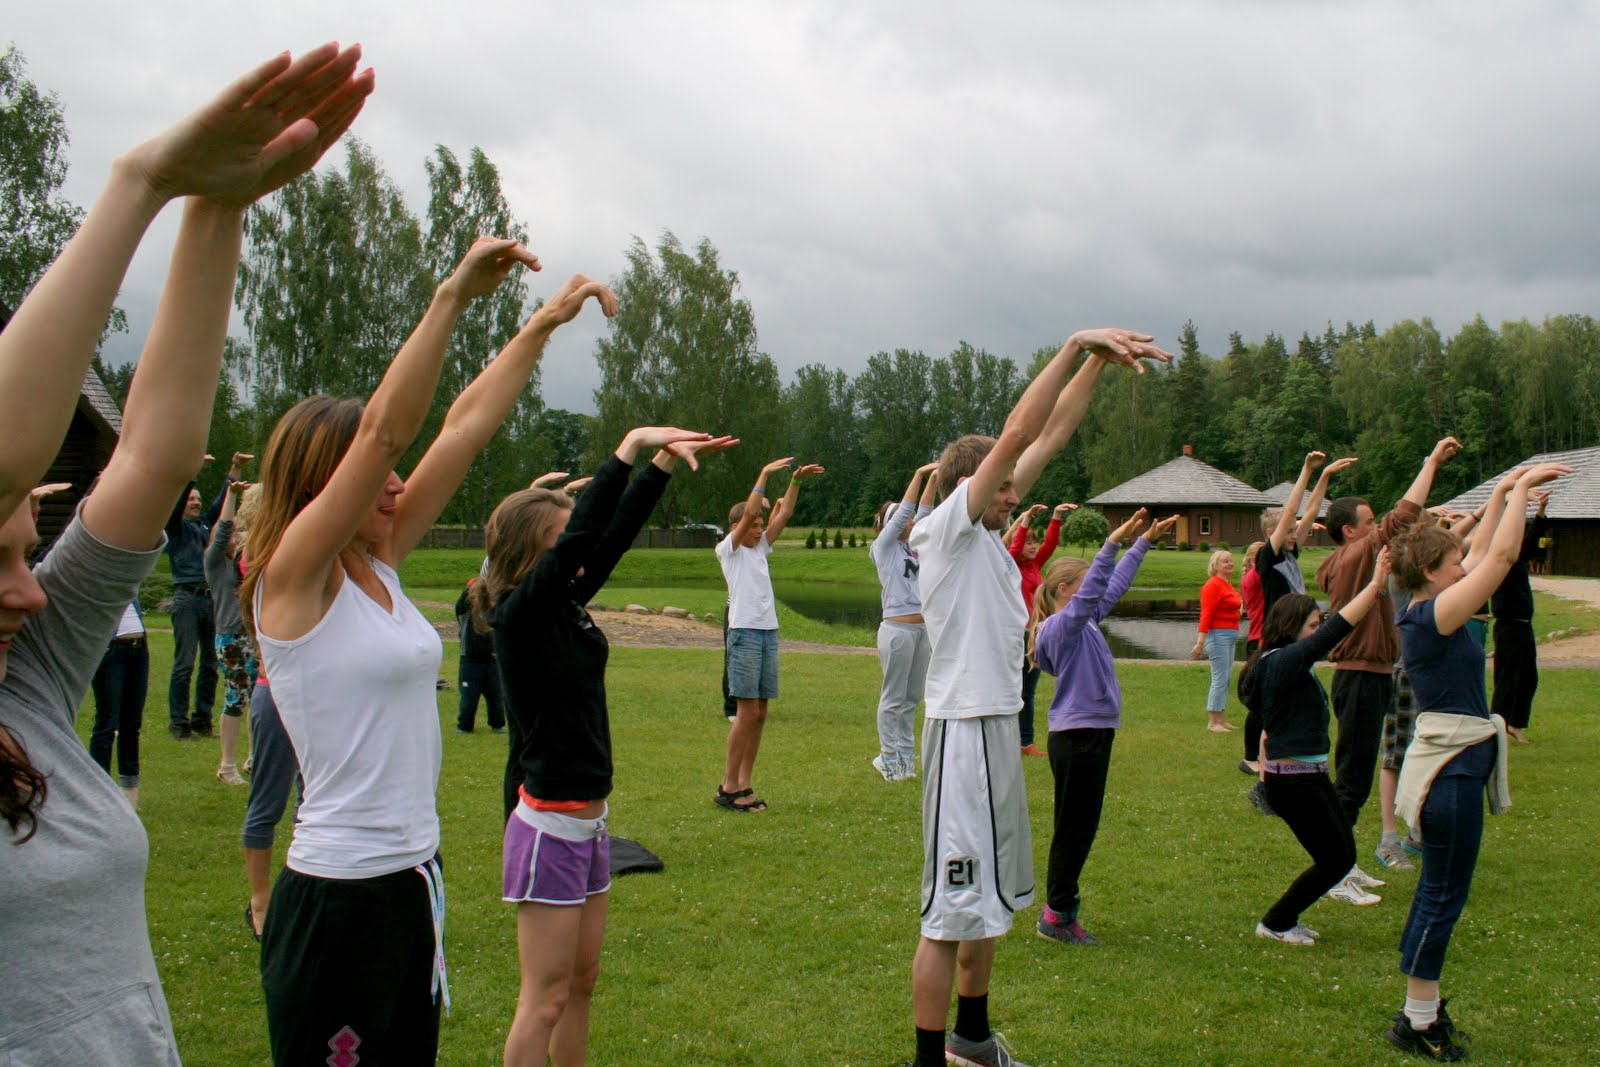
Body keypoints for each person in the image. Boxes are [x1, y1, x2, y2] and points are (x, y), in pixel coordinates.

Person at [0, 42, 371, 1065]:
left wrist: (222, 200)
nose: (32, 590)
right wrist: (139, 182)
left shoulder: (25, 687)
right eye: (2, 559)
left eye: (27, 553)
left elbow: (155, 454)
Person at [243, 236, 613, 1064]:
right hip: (339, 894)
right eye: (374, 473)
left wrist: (540, 325)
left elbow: (463, 429)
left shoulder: (377, 564)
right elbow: (383, 432)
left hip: (412, 880)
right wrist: (450, 297)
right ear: (322, 484)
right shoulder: (294, 580)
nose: (397, 482)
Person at [908, 327, 1170, 1067]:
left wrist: (1098, 366)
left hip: (995, 729)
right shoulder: (948, 531)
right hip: (962, 733)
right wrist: (1072, 343)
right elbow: (1022, 430)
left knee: (989, 902)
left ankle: (972, 1039)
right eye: (1004, 487)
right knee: (946, 913)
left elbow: (1048, 436)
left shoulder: (987, 539)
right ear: (973, 483)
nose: (1016, 497)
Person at [475, 426, 733, 1067]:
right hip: (550, 828)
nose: (579, 549)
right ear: (534, 551)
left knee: (581, 985)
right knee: (543, 1000)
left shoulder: (562, 602)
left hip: (590, 824)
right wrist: (629, 448)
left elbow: (608, 539)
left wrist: (660, 468)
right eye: (562, 540)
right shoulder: (521, 615)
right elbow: (587, 534)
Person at [1383, 462, 1569, 1060]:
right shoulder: (1432, 617)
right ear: (1431, 572)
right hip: (1452, 775)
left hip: (1455, 767)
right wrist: (1521, 490)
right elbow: (1503, 556)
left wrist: (1504, 493)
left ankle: (1421, 1011)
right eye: (1453, 561)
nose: (1464, 565)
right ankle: (1418, 1023)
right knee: (1443, 895)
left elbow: (1485, 548)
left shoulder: (1430, 606)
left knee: (1437, 890)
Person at [1316, 436, 1459, 897]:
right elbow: (1403, 517)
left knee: (1354, 780)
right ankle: (1335, 873)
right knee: (1351, 784)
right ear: (1350, 531)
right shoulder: (1354, 556)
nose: (1378, 527)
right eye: (1369, 522)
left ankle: (1342, 865)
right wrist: (1431, 461)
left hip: (1369, 677)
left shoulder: (1354, 559)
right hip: (1359, 677)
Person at [1031, 507, 1177, 947]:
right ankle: (1057, 916)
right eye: (1083, 586)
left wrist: (1143, 543)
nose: (1093, 593)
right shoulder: (1062, 626)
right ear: (1064, 590)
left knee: (1079, 826)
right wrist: (1111, 544)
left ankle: (1059, 911)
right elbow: (1096, 587)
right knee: (1074, 829)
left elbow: (1112, 585)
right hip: (1079, 738)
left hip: (1087, 734)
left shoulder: (1085, 622)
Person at [1240, 549, 1396, 945]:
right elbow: (1337, 630)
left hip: (1308, 776)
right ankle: (1276, 922)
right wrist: (1375, 586)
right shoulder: (1280, 662)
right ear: (1292, 628)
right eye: (1312, 625)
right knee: (1334, 860)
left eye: (1318, 623)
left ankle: (1282, 920)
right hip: (1294, 783)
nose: (1317, 631)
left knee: (1343, 852)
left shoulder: (1289, 665)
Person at [714, 456, 824, 812]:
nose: (759, 529)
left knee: (760, 713)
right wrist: (762, 474)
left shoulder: (760, 547)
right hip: (744, 634)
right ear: (736, 527)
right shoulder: (728, 551)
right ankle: (728, 785)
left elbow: (785, 513)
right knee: (746, 712)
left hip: (767, 634)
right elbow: (749, 511)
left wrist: (796, 481)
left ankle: (745, 782)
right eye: (753, 525)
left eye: (761, 525)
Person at [1245, 452, 1355, 773]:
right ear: (1272, 534)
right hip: (1278, 640)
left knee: (1289, 702)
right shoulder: (1268, 558)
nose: (1296, 533)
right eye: (1290, 531)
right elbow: (1292, 511)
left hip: (1296, 638)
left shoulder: (1291, 554)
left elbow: (1310, 510)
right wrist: (1306, 469)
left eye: (1295, 531)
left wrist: (1325, 476)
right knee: (1271, 709)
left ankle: (1273, 758)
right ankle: (1258, 760)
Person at [869, 462, 939, 782]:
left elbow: (925, 512)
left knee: (911, 698)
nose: (910, 521)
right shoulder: (884, 548)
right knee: (893, 697)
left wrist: (935, 477)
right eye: (902, 518)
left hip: (922, 630)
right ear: (890, 524)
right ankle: (888, 757)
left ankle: (905, 760)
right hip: (897, 630)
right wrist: (919, 474)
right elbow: (907, 513)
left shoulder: (914, 546)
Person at [163, 457, 232, 738]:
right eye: (191, 499)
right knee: (185, 663)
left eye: (198, 499)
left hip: (209, 598)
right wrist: (192, 473)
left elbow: (219, 506)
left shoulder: (203, 526)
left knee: (211, 664)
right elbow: (177, 502)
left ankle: (202, 720)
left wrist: (234, 472)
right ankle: (178, 722)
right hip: (187, 597)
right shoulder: (175, 528)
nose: (196, 503)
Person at [1007, 500, 1075, 756]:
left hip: (1034, 634)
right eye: (1028, 542)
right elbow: (1014, 549)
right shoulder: (1011, 565)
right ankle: (1018, 740)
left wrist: (1056, 517)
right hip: (1017, 635)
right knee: (1017, 690)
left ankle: (1024, 742)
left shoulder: (1035, 565)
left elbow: (1050, 544)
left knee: (1028, 691)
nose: (1033, 547)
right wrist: (1024, 521)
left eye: (1034, 542)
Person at [204, 472, 257, 782]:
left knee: (258, 695)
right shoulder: (214, 562)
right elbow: (224, 528)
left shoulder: (243, 562)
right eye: (234, 534)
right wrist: (232, 495)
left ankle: (253, 758)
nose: (238, 538)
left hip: (251, 636)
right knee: (236, 699)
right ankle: (226, 765)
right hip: (231, 638)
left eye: (240, 532)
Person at [1491, 488, 1551, 744]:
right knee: (1507, 677)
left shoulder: (1516, 558)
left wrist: (1540, 511)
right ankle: (1499, 724)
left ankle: (1515, 723)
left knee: (1528, 677)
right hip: (1508, 626)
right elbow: (1525, 543)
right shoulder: (1502, 560)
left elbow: (1529, 542)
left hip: (1523, 626)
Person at [89, 595, 149, 807]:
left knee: (132, 722)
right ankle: (98, 791)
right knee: (107, 721)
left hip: (138, 647)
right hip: (111, 650)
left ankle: (130, 789)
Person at [1192, 549, 1241, 731]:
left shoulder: (1227, 585)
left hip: (1230, 634)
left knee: (1226, 678)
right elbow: (1206, 614)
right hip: (1218, 635)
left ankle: (1221, 719)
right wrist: (1200, 642)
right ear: (1215, 566)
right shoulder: (1212, 585)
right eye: (1225, 561)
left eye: (1231, 560)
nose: (1230, 563)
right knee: (1219, 678)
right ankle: (1213, 722)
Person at [455, 575, 504, 734]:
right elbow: (462, 601)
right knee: (469, 697)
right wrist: (475, 586)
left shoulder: (491, 611)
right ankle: (464, 726)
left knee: (496, 696)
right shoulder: (465, 613)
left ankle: (497, 725)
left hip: (491, 660)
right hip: (470, 661)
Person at [1241, 541, 1265, 656]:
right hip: (1260, 639)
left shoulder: (1248, 577)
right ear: (1253, 561)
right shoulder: (1254, 576)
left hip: (1257, 637)